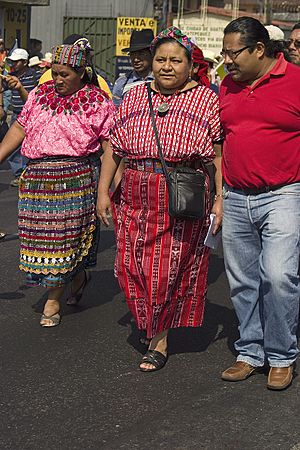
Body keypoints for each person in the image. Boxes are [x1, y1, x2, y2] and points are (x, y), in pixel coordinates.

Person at [98, 26, 223, 372]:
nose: (167, 66)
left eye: (176, 60)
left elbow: (217, 156)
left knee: (166, 271)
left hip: (182, 192)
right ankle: (151, 320)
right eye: (161, 59)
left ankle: (159, 339)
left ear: (190, 65)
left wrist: (219, 200)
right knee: (129, 266)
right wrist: (103, 193)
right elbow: (114, 149)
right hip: (135, 191)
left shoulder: (206, 99)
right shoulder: (135, 96)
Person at [0, 41, 115, 327]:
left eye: (65, 74)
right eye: (55, 73)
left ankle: (53, 299)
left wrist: (104, 191)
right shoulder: (40, 94)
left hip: (75, 180)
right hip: (37, 180)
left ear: (81, 72)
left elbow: (110, 148)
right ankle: (78, 275)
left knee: (62, 242)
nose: (58, 79)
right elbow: (20, 126)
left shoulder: (97, 101)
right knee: (42, 244)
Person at [219, 17, 300, 390]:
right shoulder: (226, 87)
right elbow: (220, 137)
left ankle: (282, 354)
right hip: (235, 195)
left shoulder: (296, 82)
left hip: (284, 194)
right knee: (242, 282)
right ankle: (250, 351)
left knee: (280, 276)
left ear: (259, 50)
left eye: (233, 53)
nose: (227, 60)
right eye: (224, 53)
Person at [4, 48, 40, 186]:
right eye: (12, 61)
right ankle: (19, 174)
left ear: (24, 62)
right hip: (16, 114)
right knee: (13, 147)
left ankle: (28, 173)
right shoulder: (11, 75)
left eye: (16, 61)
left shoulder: (34, 75)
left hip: (31, 114)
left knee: (30, 145)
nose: (13, 64)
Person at [38, 34, 112, 98]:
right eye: (78, 53)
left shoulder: (99, 83)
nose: (58, 81)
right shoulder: (47, 81)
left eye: (86, 53)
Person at [112, 29, 154, 107]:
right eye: (132, 55)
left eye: (141, 54)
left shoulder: (161, 80)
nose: (136, 59)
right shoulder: (122, 83)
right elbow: (116, 111)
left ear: (152, 54)